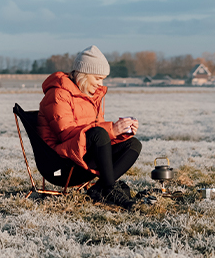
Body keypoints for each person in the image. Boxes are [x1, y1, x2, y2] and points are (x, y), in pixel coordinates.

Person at [39, 45, 142, 208]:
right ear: (83, 75)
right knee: (100, 133)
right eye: (97, 78)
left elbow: (97, 132)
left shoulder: (91, 96)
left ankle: (100, 189)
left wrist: (120, 132)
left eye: (103, 79)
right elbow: (66, 135)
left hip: (83, 154)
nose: (100, 84)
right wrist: (110, 130)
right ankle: (109, 188)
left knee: (133, 143)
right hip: (61, 163)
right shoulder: (58, 94)